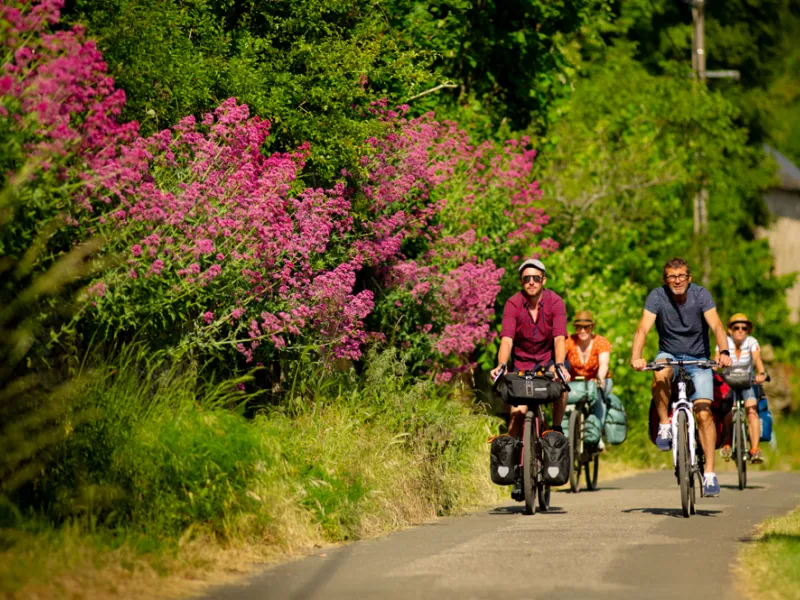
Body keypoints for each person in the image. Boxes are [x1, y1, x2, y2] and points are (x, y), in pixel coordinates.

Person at [631, 257, 732, 497]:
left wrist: (724, 352)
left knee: (705, 412)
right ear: (665, 280)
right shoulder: (657, 296)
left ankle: (709, 474)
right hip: (669, 354)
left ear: (689, 278)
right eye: (672, 277)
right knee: (659, 372)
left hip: (699, 359)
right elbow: (642, 328)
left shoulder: (701, 295)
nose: (677, 281)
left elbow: (717, 326)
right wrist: (637, 356)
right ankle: (665, 425)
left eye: (682, 276)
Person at [490, 258, 571, 443]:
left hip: (548, 359)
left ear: (544, 280)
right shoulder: (513, 304)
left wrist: (559, 366)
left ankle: (556, 428)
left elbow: (559, 339)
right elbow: (507, 340)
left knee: (561, 381)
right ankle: (517, 466)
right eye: (527, 279)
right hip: (522, 364)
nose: (531, 282)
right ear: (521, 281)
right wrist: (501, 365)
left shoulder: (556, 302)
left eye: (536, 278)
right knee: (516, 421)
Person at [714, 313, 767, 464]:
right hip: (728, 382)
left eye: (744, 327)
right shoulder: (723, 342)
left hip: (746, 382)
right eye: (736, 327)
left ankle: (755, 449)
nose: (740, 330)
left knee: (752, 409)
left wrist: (761, 373)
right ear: (729, 329)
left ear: (748, 330)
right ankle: (727, 443)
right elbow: (717, 357)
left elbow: (757, 359)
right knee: (727, 411)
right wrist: (717, 364)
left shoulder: (751, 342)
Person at [565, 310, 612, 440]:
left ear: (592, 327)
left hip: (597, 380)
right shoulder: (569, 341)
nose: (582, 330)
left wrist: (600, 378)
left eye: (586, 327)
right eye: (578, 327)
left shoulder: (601, 342)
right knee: (564, 402)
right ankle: (568, 436)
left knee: (598, 398)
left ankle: (597, 435)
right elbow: (560, 360)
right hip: (575, 383)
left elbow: (604, 364)